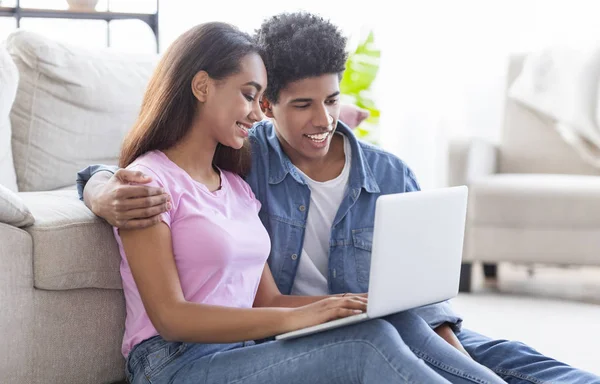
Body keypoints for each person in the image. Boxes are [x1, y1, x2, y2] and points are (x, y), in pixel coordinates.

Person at [78, 13, 600, 384]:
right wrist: (100, 188)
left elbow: (270, 300)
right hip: (176, 361)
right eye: (252, 96)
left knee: (409, 328)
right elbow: (172, 317)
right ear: (199, 87)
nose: (255, 112)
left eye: (330, 102)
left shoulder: (236, 184)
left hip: (256, 345)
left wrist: (352, 308)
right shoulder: (150, 184)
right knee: (365, 342)